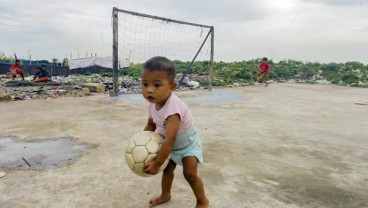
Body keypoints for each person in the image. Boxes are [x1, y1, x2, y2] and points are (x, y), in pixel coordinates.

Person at [141, 56, 209, 208]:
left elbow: (171, 139)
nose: (149, 90)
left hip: (187, 144)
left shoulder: (173, 109)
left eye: (157, 85)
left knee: (190, 174)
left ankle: (203, 201)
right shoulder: (151, 105)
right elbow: (150, 125)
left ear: (172, 87)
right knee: (167, 170)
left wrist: (158, 162)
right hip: (168, 144)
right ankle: (165, 194)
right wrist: (141, 142)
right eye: (145, 84)